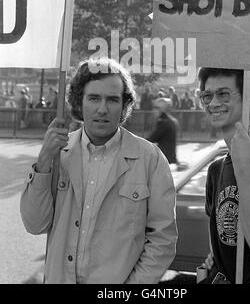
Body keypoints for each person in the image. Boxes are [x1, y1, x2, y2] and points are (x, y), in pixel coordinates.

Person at [20, 58, 177, 284]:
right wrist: (44, 161)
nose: (102, 109)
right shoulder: (58, 153)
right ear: (79, 102)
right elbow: (34, 224)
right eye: (94, 98)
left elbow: (163, 239)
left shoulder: (149, 159)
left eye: (112, 100)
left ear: (124, 106)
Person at [197, 67, 250, 284]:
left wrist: (243, 168)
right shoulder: (216, 169)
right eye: (207, 96)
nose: (213, 103)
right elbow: (221, 246)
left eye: (224, 94)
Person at [148, 97, 179, 166]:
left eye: (156, 108)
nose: (153, 110)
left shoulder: (163, 122)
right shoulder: (172, 120)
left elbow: (152, 139)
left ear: (161, 109)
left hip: (164, 159)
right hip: (170, 157)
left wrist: (137, 142)